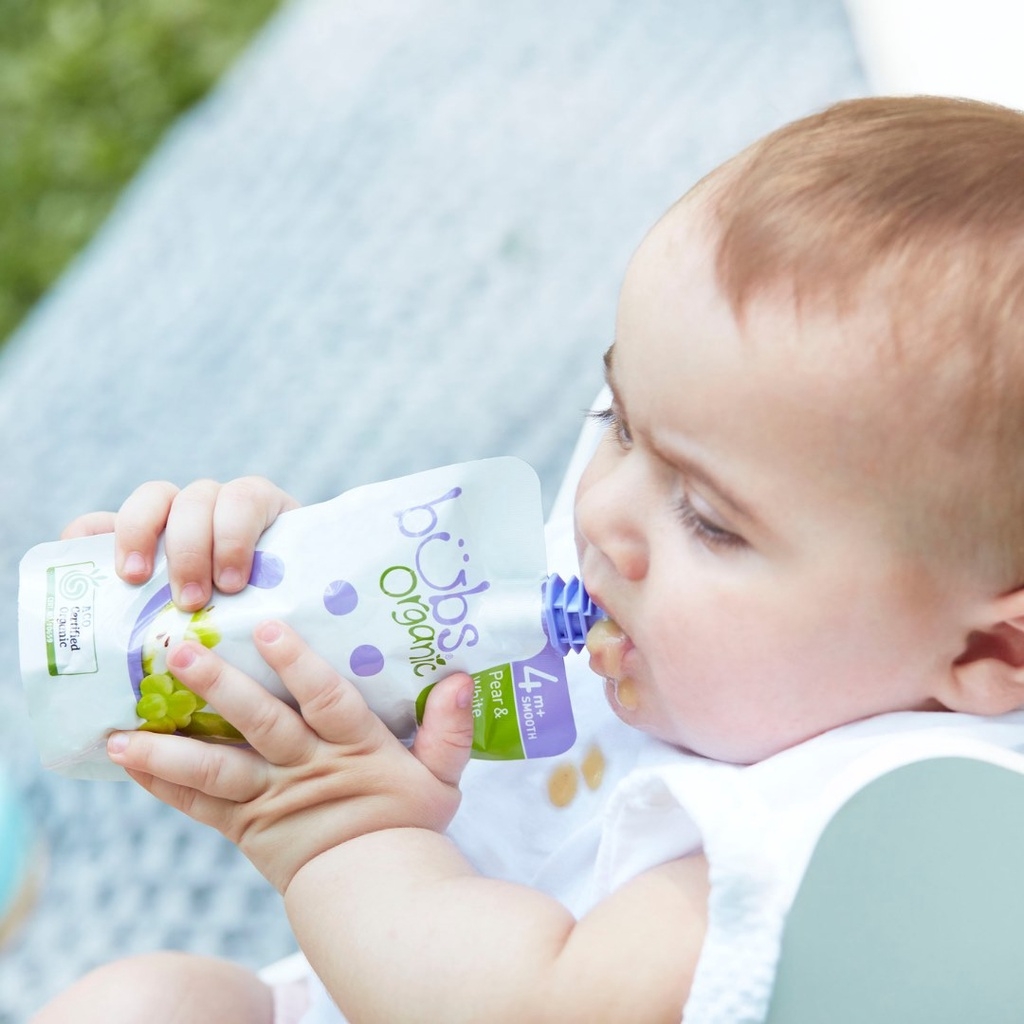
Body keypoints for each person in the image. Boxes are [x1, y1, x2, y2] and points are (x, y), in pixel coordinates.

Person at [30, 94, 1024, 1023]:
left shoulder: (885, 835)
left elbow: (541, 1004)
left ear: (992, 651)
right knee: (135, 1005)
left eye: (709, 519)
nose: (603, 512)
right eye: (619, 424)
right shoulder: (661, 614)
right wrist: (287, 603)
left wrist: (339, 829)